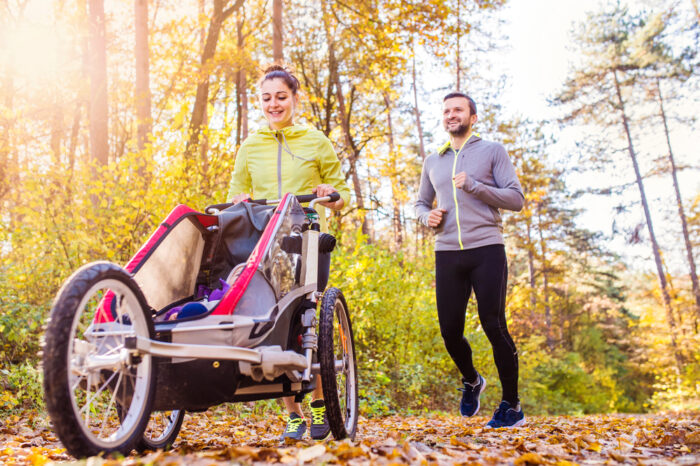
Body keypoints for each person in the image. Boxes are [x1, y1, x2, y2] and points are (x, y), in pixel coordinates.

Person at [227, 65, 351, 441]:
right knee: (274, 322)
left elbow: (341, 197)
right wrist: (240, 200)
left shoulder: (316, 141)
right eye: (266, 98)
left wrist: (331, 193)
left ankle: (318, 404)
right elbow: (236, 195)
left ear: (295, 99)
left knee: (309, 319)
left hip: (308, 237)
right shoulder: (249, 146)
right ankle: (293, 414)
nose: (273, 104)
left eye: (281, 96)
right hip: (265, 242)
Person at [415, 92, 526, 428]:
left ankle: (511, 406)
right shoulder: (434, 159)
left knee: (493, 324)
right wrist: (426, 217)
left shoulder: (493, 151)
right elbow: (420, 204)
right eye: (446, 110)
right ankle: (472, 380)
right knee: (450, 331)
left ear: (472, 117)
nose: (451, 115)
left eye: (458, 110)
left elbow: (516, 199)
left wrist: (476, 186)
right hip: (447, 251)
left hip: (487, 248)